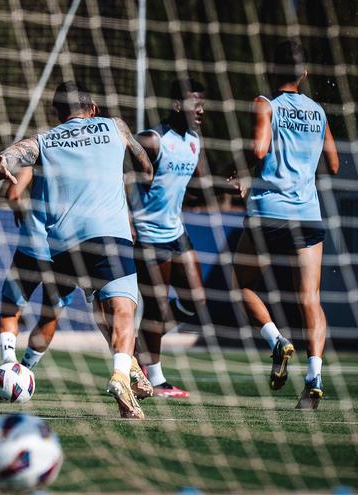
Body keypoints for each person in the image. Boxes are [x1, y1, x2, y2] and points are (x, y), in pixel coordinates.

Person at [0, 81, 154, 419]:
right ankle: (122, 372)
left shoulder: (46, 140)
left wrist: (3, 162)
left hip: (62, 246)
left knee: (96, 306)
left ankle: (129, 365)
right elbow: (146, 166)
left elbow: (15, 154)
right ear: (92, 108)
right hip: (108, 235)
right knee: (122, 310)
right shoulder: (115, 126)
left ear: (59, 115)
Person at [233, 40, 338, 409]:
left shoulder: (266, 104)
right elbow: (335, 165)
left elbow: (259, 150)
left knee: (242, 284)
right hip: (308, 213)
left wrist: (245, 172)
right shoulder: (318, 111)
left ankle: (276, 340)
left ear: (272, 70)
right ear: (304, 74)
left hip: (270, 211)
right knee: (310, 297)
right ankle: (315, 378)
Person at [130, 78, 209, 399]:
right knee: (157, 307)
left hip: (176, 232)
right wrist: (125, 214)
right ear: (178, 105)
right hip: (148, 235)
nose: (201, 110)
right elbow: (120, 162)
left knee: (195, 301)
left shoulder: (193, 141)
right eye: (196, 103)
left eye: (203, 104)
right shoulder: (152, 139)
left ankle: (141, 345)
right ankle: (157, 378)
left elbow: (187, 186)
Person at [0, 166, 73, 371]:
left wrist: (20, 211)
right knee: (50, 315)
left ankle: (9, 362)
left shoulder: (40, 151)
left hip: (32, 245)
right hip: (68, 249)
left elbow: (12, 195)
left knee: (10, 309)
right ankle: (26, 371)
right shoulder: (87, 158)